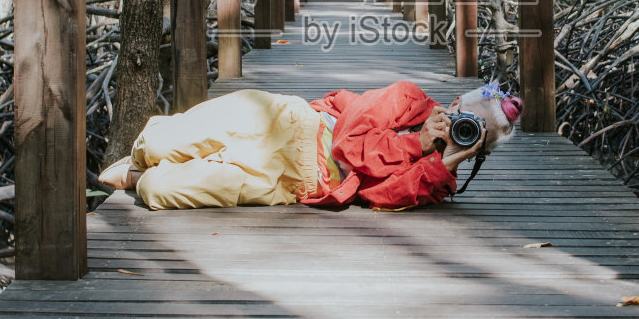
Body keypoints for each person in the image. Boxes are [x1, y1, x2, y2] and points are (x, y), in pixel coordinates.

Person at [99, 82, 522, 211]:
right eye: (466, 120)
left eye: (476, 134)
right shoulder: (409, 99)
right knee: (161, 140)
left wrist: (443, 164)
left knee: (159, 192)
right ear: (454, 106)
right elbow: (348, 146)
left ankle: (138, 177)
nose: (464, 131)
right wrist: (417, 140)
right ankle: (142, 156)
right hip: (288, 124)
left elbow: (377, 196)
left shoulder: (438, 180)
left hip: (292, 183)